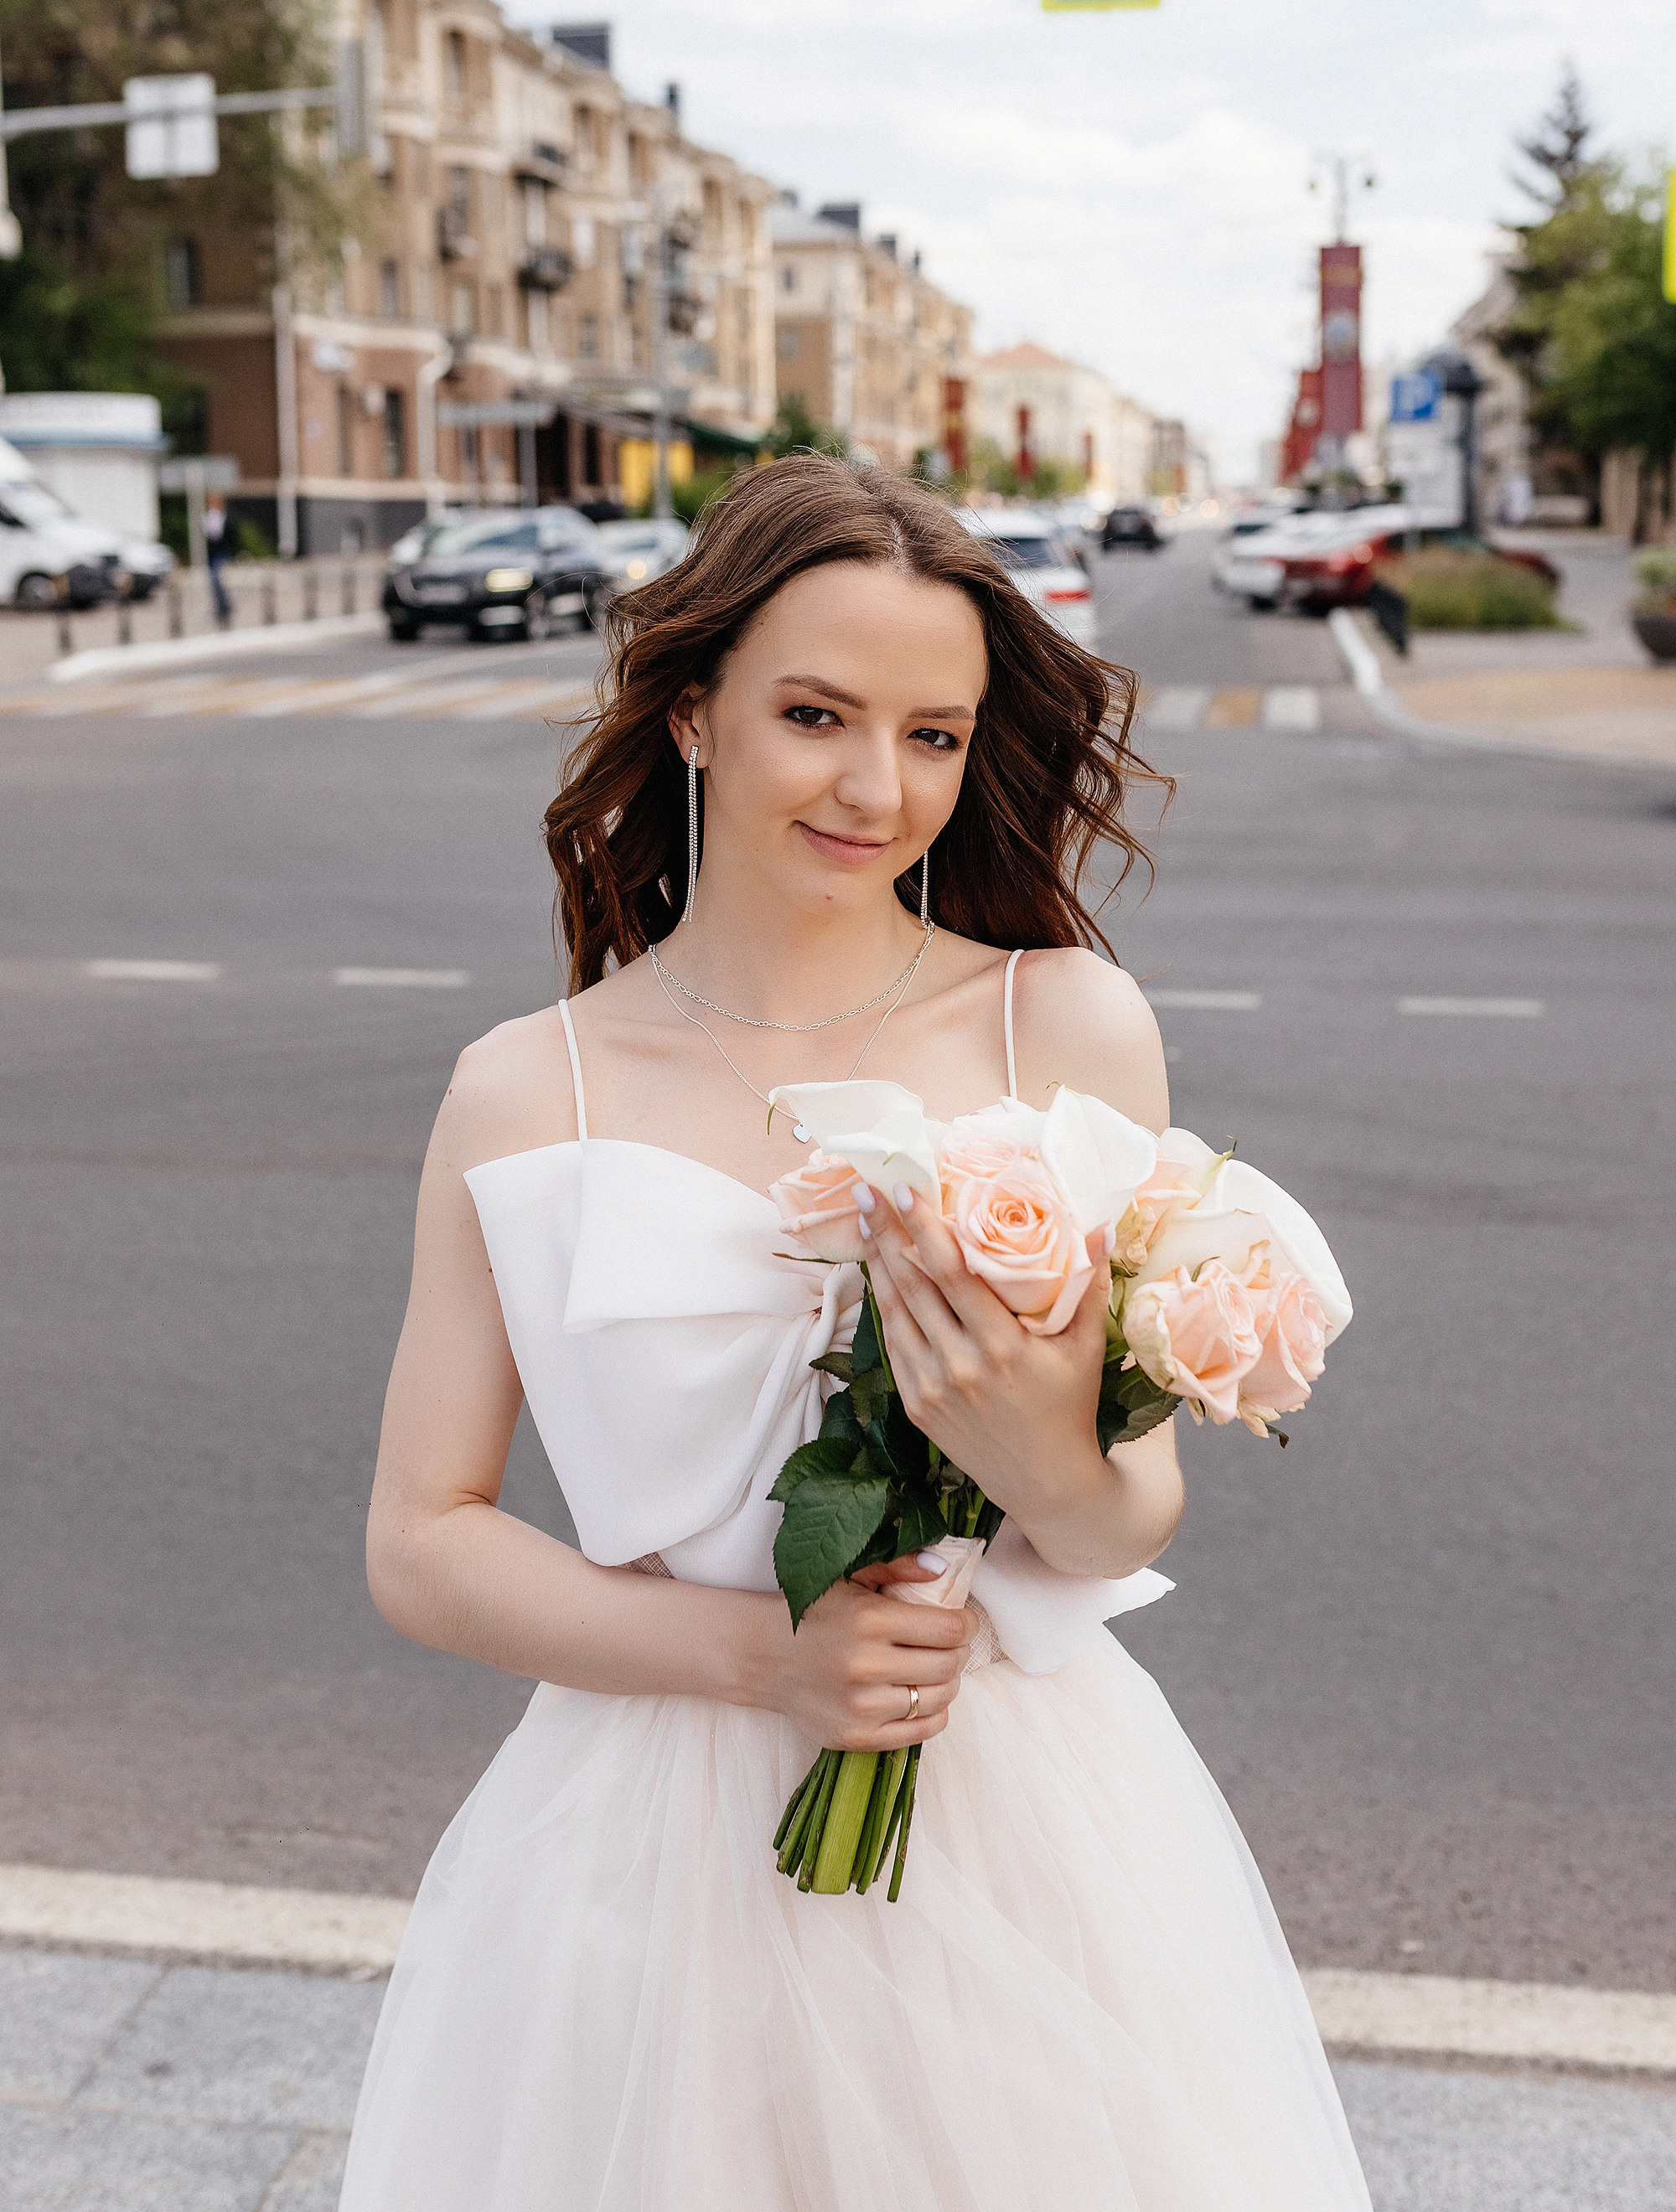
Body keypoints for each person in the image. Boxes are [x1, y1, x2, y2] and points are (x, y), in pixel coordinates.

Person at [339, 457, 1371, 2211]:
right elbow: (420, 1545)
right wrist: (764, 1660)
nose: (875, 788)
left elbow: (1123, 1518)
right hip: (641, 1825)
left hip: (1014, 1809)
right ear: (690, 712)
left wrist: (1038, 1448)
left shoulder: (1064, 1018)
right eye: (815, 715)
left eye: (934, 735)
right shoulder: (524, 1087)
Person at [203, 491, 232, 628]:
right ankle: (222, 606)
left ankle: (224, 607)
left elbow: (228, 537)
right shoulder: (206, 518)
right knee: (213, 583)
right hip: (211, 555)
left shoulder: (224, 517)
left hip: (221, 554)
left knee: (217, 580)